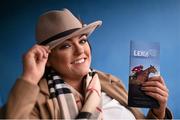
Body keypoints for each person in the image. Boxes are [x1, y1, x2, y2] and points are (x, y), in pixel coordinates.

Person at [0, 8, 172, 119]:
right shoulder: (36, 101)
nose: (80, 50)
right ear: (48, 59)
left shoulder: (111, 82)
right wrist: (29, 77)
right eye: (66, 45)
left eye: (82, 41)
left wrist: (158, 111)